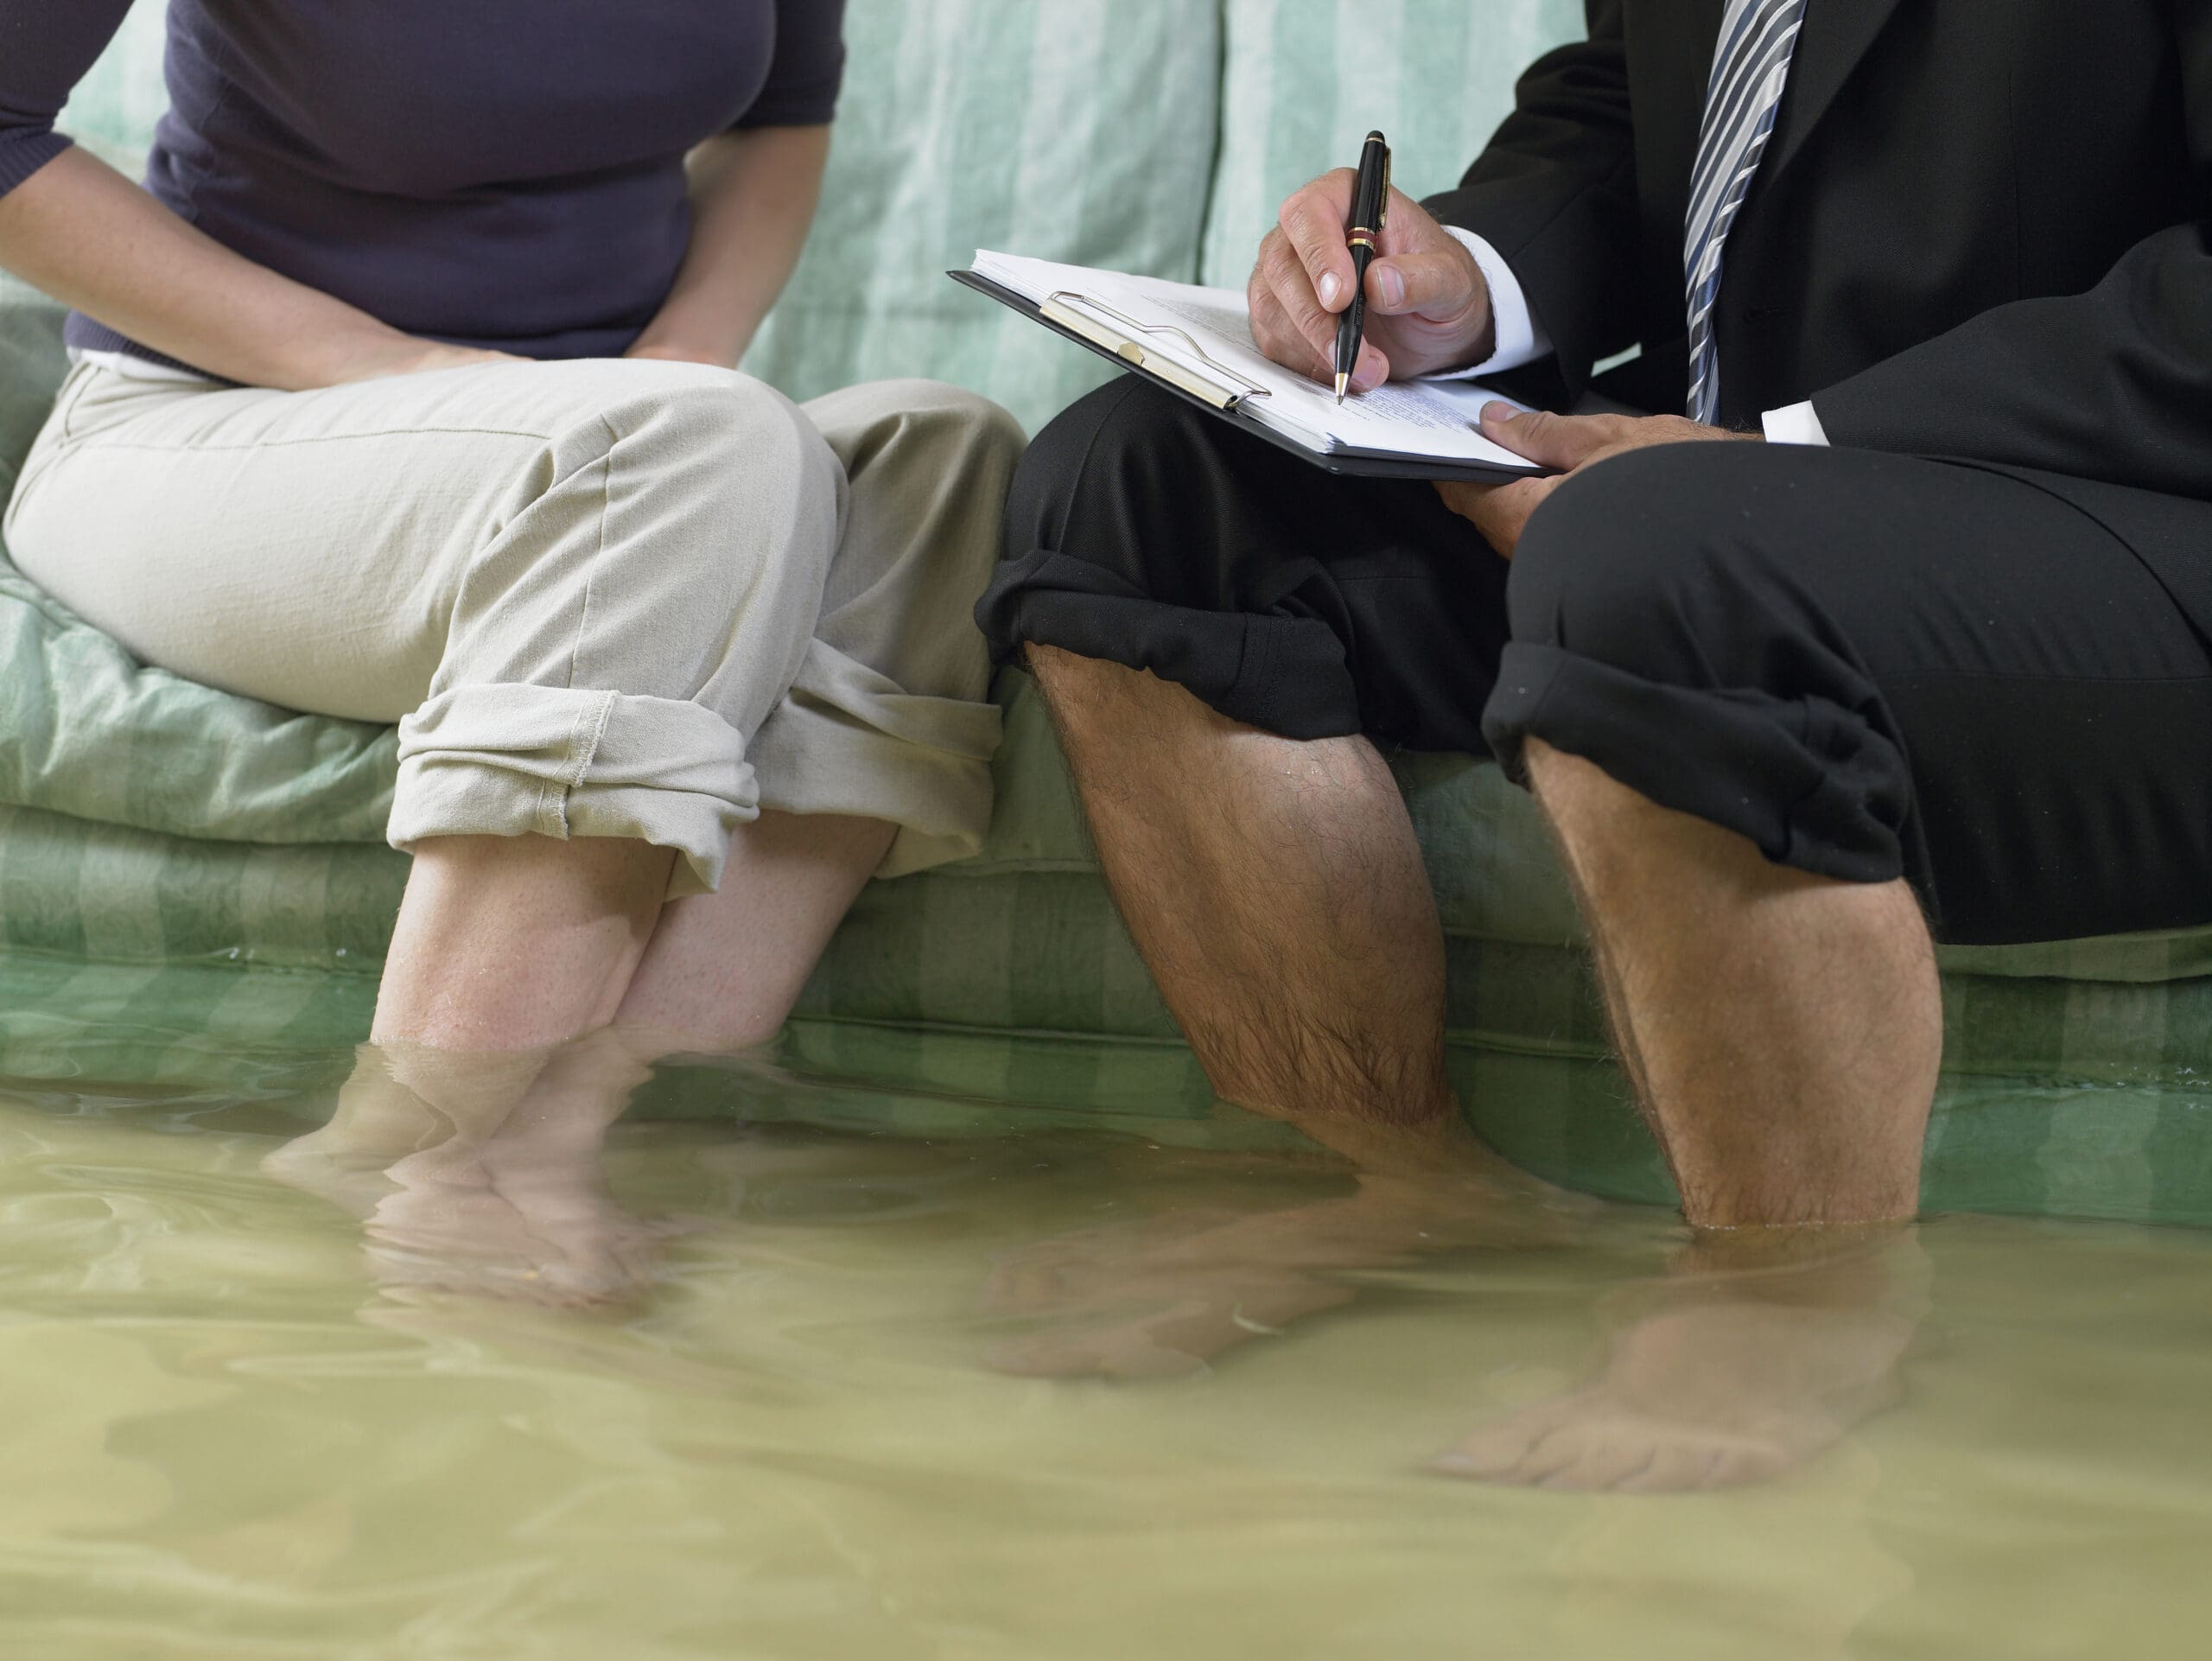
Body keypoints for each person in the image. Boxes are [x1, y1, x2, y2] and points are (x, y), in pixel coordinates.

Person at [976, 0, 2212, 1486]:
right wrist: (1459, 278)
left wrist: (1788, 451)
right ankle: (1393, 1180)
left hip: (2123, 506)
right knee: (1132, 482)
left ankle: (1795, 1308)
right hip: (1737, 493)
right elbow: (1629, 117)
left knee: (1656, 563)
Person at [0, 5, 1022, 1142]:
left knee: (943, 458)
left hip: (616, 446)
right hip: (210, 422)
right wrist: (381, 362)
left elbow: (783, 115)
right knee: (695, 447)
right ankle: (411, 1155)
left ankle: (602, 1121)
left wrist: (680, 360)